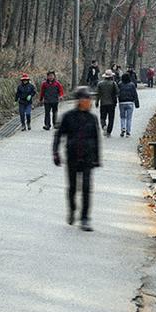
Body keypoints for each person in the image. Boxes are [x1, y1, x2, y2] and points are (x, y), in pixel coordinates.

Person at [53, 86, 101, 231]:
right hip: (72, 157)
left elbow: (96, 139)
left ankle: (85, 218)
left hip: (88, 158)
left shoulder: (92, 118)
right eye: (85, 98)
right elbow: (58, 135)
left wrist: (97, 158)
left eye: (89, 99)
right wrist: (56, 153)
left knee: (86, 188)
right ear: (79, 100)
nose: (88, 101)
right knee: (73, 188)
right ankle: (72, 209)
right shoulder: (68, 116)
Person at [96, 69, 119, 136]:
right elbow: (117, 92)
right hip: (111, 103)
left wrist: (97, 102)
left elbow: (98, 94)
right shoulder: (113, 83)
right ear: (111, 76)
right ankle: (109, 131)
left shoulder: (100, 84)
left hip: (103, 103)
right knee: (111, 118)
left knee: (103, 117)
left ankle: (104, 126)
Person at [117, 72, 140, 137]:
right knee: (129, 118)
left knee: (122, 117)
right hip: (130, 102)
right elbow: (135, 94)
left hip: (122, 102)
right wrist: (137, 103)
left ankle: (123, 128)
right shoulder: (132, 85)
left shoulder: (120, 84)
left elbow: (117, 92)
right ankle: (128, 132)